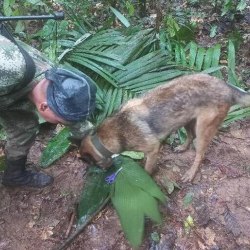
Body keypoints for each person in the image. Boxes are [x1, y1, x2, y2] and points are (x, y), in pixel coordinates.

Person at [0, 30, 97, 188]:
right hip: (7, 85)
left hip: (11, 92)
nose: (63, 124)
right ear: (44, 106)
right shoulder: (9, 70)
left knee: (24, 128)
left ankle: (14, 176)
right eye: (60, 122)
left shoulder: (55, 78)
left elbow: (74, 120)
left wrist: (98, 144)